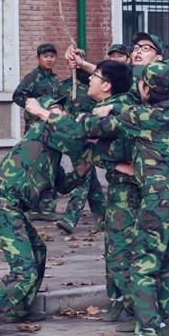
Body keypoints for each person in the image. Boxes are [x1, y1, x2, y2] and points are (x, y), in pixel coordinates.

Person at [87, 60, 169, 336]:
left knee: (144, 264)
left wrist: (56, 115)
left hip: (160, 200)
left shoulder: (140, 117)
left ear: (147, 89)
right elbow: (129, 108)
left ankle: (147, 331)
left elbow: (96, 125)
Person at [0, 95, 88, 336]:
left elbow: (61, 185)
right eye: (56, 110)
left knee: (38, 251)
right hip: (1, 205)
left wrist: (81, 171)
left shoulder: (51, 150)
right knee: (24, 270)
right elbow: (76, 135)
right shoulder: (43, 130)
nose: (61, 114)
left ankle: (19, 308)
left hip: (10, 207)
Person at [73, 60, 138, 323]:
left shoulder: (121, 108)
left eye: (95, 76)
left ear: (107, 85)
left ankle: (138, 310)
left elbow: (96, 144)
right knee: (112, 246)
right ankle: (118, 299)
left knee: (124, 248)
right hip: (117, 188)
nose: (90, 79)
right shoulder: (103, 108)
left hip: (132, 191)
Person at [12, 43, 63, 221]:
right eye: (45, 56)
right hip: (35, 130)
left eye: (52, 56)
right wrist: (35, 106)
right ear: (38, 58)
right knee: (33, 168)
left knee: (51, 167)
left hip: (52, 130)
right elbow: (18, 96)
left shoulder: (55, 80)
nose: (49, 59)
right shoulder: (32, 77)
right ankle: (31, 206)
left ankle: (47, 208)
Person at [55, 64, 106, 235]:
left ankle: (70, 218)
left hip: (91, 137)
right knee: (90, 180)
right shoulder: (64, 87)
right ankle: (103, 217)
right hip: (73, 137)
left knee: (83, 175)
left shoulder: (95, 89)